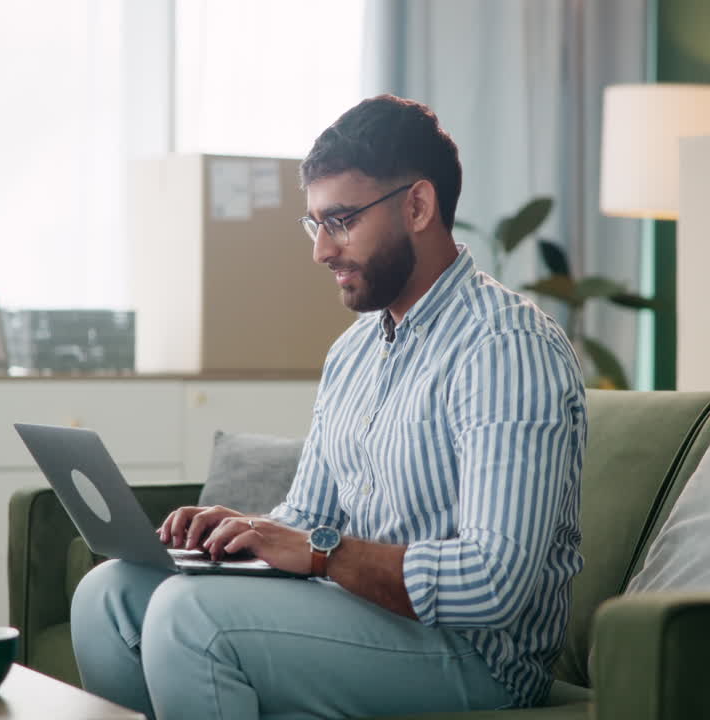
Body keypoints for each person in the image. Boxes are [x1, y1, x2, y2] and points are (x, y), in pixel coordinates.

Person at [71, 94, 586, 720]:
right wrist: (243, 533)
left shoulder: (506, 347)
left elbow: (495, 582)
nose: (321, 251)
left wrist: (322, 551)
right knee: (109, 595)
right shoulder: (353, 351)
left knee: (190, 616)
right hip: (358, 615)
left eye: (341, 220)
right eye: (315, 224)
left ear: (418, 206)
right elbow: (309, 515)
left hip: (476, 658)